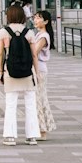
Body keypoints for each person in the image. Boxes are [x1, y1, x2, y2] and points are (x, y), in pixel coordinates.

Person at [0, 3, 40, 146]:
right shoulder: (29, 32)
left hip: (10, 71)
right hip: (27, 72)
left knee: (10, 104)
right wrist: (37, 73)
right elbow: (34, 55)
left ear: (9, 16)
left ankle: (10, 136)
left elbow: (0, 54)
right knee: (30, 104)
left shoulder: (4, 32)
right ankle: (32, 136)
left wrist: (0, 72)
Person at [29, 9, 57, 139]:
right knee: (38, 98)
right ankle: (41, 128)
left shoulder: (44, 36)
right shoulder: (39, 34)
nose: (36, 20)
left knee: (39, 98)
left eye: (39, 18)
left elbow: (34, 51)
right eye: (35, 17)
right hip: (38, 68)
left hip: (39, 69)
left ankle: (43, 130)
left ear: (46, 21)